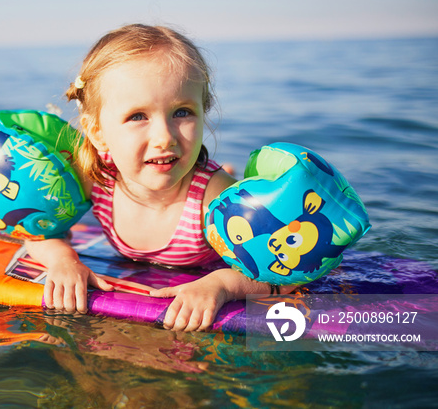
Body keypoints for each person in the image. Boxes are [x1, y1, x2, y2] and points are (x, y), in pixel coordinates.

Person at [25, 24, 295, 332]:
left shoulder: (216, 200)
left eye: (182, 112)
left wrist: (222, 284)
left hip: (206, 244)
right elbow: (38, 229)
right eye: (138, 116)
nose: (164, 137)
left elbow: (285, 271)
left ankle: (227, 172)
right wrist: (63, 261)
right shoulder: (97, 178)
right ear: (98, 133)